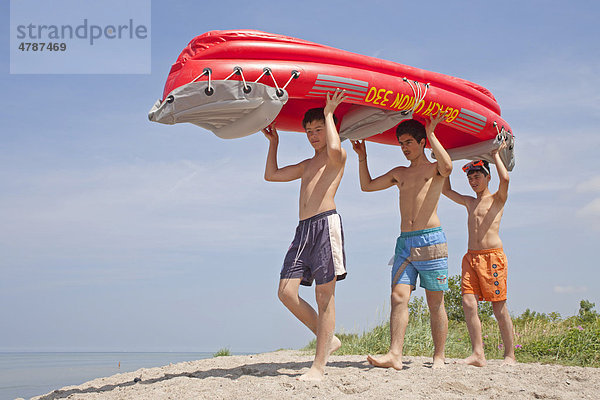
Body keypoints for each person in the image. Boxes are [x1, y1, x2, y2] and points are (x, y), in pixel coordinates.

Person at [351, 112, 452, 370]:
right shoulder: (399, 173)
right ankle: (395, 354)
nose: (404, 148)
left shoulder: (435, 169)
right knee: (398, 297)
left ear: (421, 143)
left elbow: (448, 166)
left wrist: (432, 132)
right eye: (401, 143)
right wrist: (362, 157)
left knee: (435, 302)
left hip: (431, 241)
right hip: (405, 243)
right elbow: (367, 186)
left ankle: (439, 356)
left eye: (408, 142)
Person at [262, 89, 347, 381]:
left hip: (325, 225)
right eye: (309, 131)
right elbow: (271, 175)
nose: (313, 135)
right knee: (285, 291)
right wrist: (274, 143)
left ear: (329, 129)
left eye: (318, 129)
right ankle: (329, 339)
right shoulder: (307, 165)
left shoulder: (336, 157)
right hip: (303, 230)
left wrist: (328, 112)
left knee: (325, 296)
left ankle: (318, 367)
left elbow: (335, 148)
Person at [442, 141, 516, 366]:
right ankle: (478, 354)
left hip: (492, 257)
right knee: (468, 303)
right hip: (470, 258)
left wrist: (496, 156)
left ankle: (510, 355)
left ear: (487, 177)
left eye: (478, 177)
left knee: (498, 307)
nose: (474, 181)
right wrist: (447, 159)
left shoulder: (497, 199)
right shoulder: (469, 202)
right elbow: (446, 190)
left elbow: (506, 179)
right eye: (470, 178)